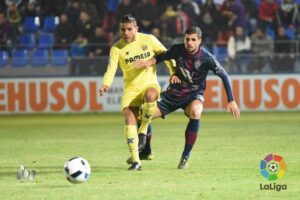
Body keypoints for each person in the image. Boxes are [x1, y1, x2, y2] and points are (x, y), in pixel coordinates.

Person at [134, 26, 240, 169]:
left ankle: (185, 156)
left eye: (193, 40)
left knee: (196, 111)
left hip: (193, 96)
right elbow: (161, 57)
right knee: (142, 116)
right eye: (187, 39)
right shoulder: (178, 49)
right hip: (173, 95)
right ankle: (147, 151)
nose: (189, 43)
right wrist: (150, 62)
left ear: (199, 41)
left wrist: (231, 100)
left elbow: (224, 75)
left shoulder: (207, 58)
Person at [99, 14, 175, 171]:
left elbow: (166, 55)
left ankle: (143, 130)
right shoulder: (117, 49)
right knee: (129, 118)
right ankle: (136, 161)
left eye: (129, 29)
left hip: (149, 83)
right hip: (131, 89)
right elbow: (111, 69)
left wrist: (173, 72)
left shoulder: (149, 39)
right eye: (123, 30)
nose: (126, 33)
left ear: (136, 29)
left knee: (151, 95)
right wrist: (106, 84)